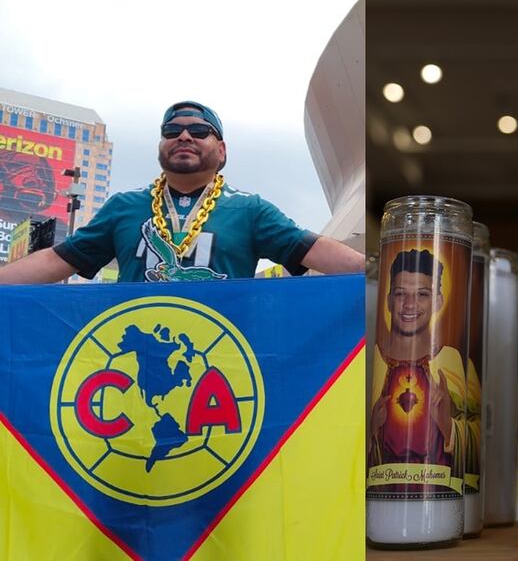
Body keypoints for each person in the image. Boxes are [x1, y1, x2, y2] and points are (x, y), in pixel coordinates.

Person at [0, 101, 366, 283]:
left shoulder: (251, 209)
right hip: (131, 359)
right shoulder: (123, 207)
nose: (184, 136)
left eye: (200, 130)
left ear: (221, 150)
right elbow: (56, 260)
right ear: (161, 145)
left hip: (220, 364)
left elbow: (314, 250)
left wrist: (387, 273)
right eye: (172, 130)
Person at [369, 249, 465, 476]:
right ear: (389, 300)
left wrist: (446, 422)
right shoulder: (373, 360)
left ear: (438, 301)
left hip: (437, 487)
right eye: (401, 294)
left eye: (422, 294)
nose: (410, 304)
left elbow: (476, 440)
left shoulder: (450, 361)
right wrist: (373, 428)